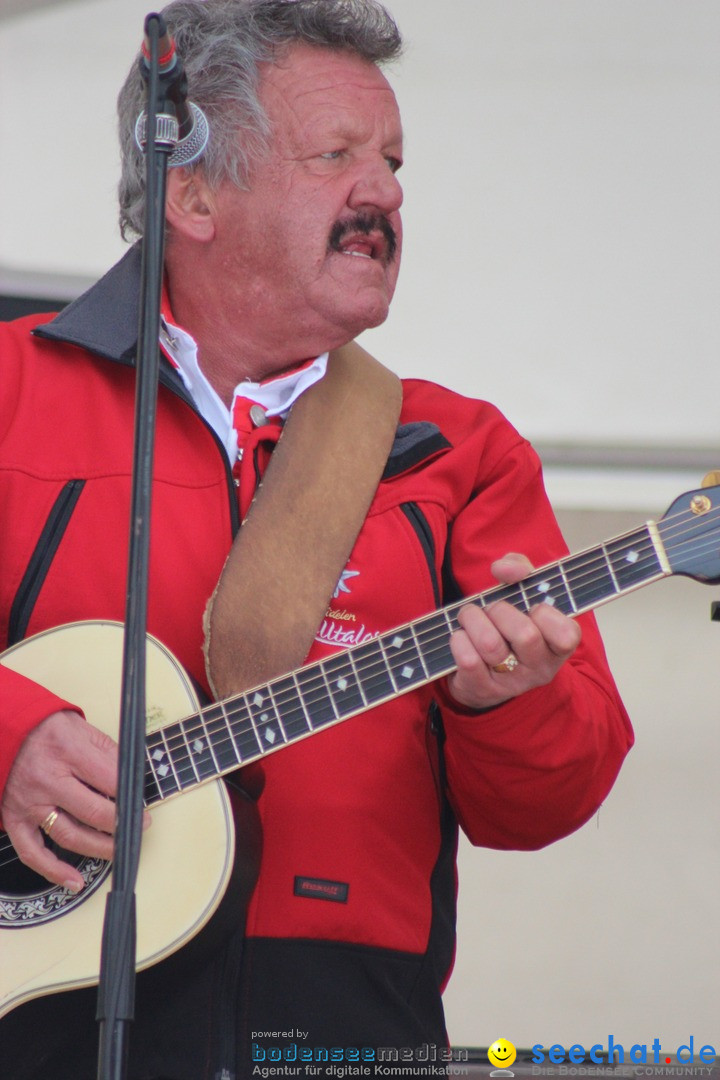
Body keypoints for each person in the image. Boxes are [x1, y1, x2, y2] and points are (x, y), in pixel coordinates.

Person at [0, 1, 633, 1077]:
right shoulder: (15, 388)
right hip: (38, 1008)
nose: (382, 191)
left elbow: (551, 803)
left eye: (391, 161)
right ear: (192, 191)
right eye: (334, 155)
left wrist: (509, 700)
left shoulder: (459, 451)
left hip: (345, 1025)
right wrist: (11, 733)